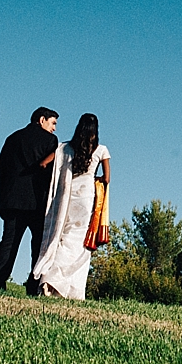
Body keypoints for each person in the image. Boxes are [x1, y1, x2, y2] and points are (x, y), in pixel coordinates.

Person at [31, 112, 110, 299]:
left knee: (62, 237)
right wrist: (94, 180)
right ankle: (67, 287)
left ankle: (49, 280)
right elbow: (107, 179)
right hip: (86, 198)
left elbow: (43, 164)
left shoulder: (65, 148)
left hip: (66, 197)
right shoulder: (102, 150)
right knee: (79, 242)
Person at [0, 106, 59, 293]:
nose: (54, 128)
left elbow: (0, 171)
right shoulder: (51, 141)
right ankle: (34, 285)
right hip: (38, 201)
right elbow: (51, 174)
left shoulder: (13, 138)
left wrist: (1, 199)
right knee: (38, 245)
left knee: (9, 242)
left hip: (12, 200)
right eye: (53, 123)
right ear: (42, 119)